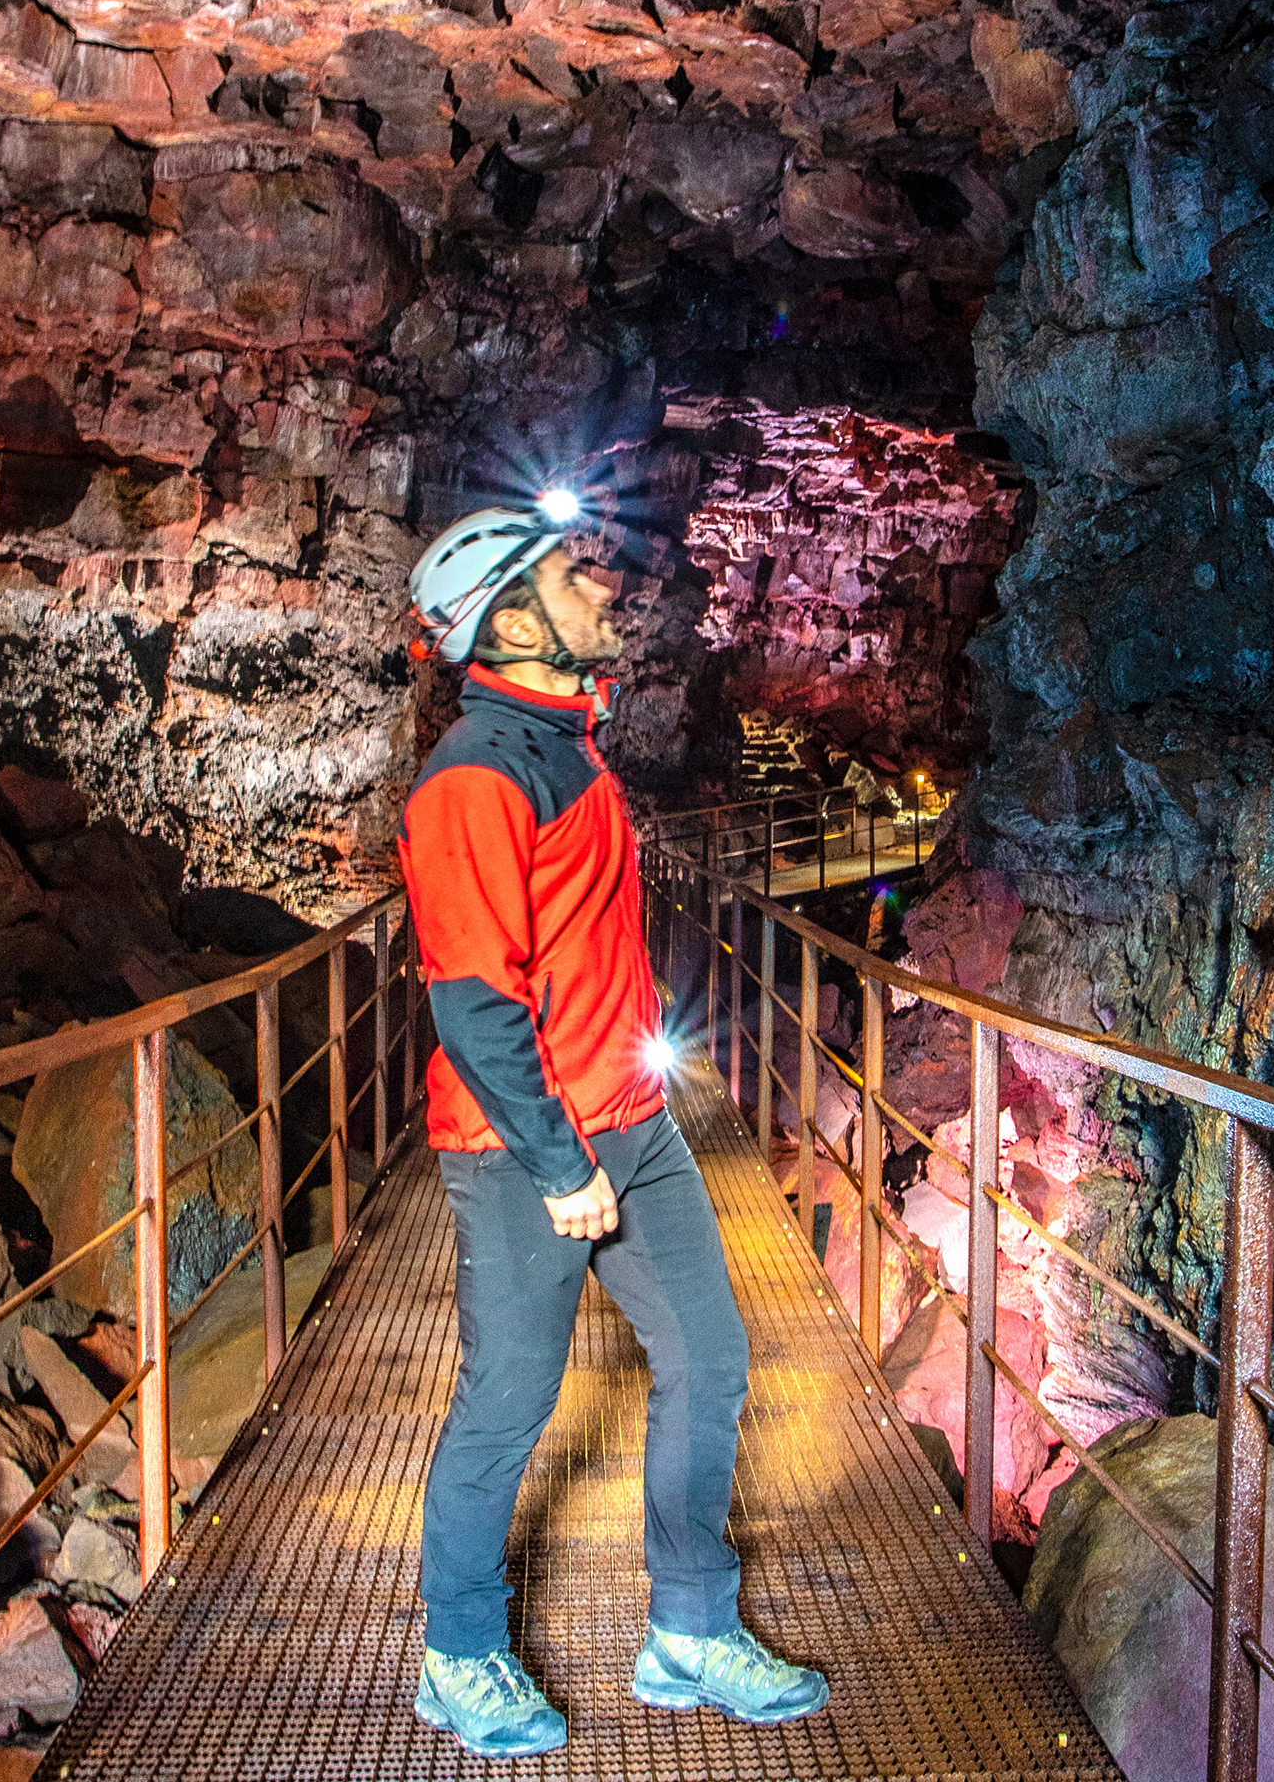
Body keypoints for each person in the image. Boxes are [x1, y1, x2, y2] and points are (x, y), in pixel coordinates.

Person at [396, 500, 830, 1759]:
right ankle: (457, 1652)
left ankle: (691, 1630)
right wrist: (557, 1162)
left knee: (710, 1358)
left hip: (634, 1122)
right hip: (526, 1148)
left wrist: (613, 1125)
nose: (600, 587)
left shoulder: (567, 748)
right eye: (566, 577)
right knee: (509, 1400)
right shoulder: (472, 781)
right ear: (511, 622)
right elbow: (474, 1002)